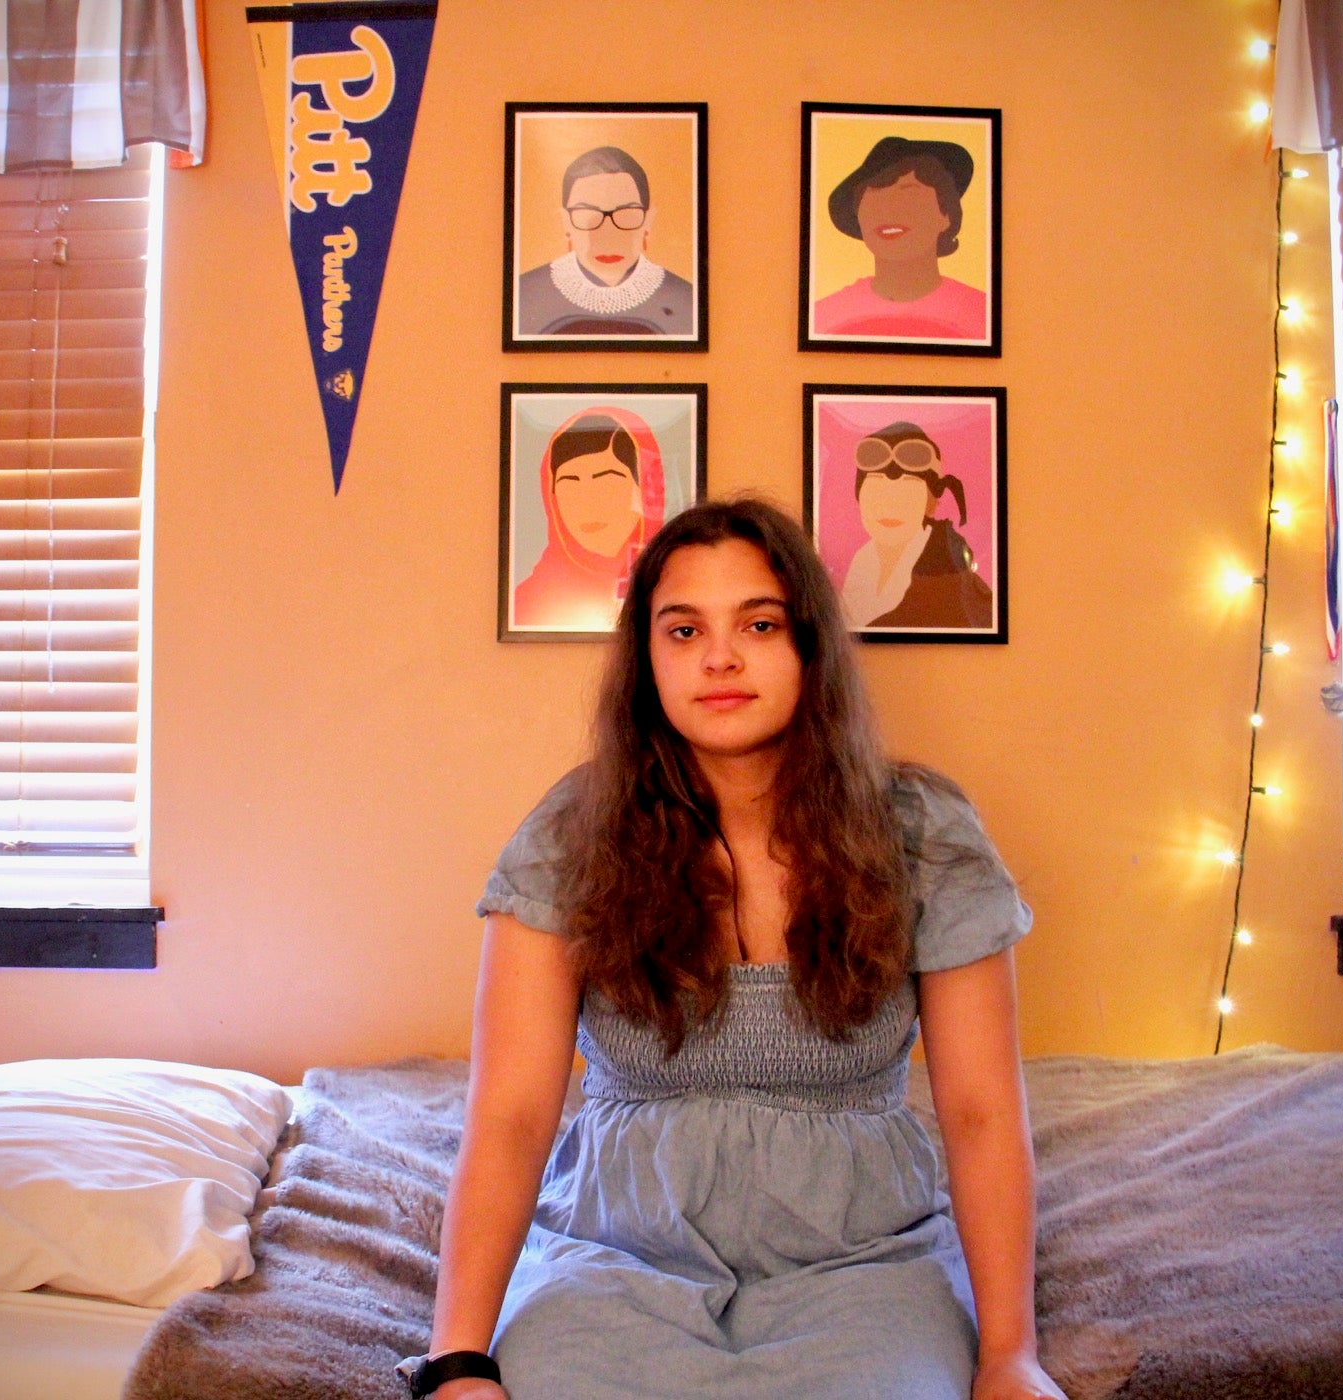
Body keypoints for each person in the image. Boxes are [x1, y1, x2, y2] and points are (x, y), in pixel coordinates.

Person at [401, 498, 1064, 1400]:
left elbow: (983, 1111)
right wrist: (458, 1361)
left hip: (865, 1262)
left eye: (758, 623)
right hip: (612, 1252)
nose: (720, 657)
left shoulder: (924, 832)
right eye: (683, 630)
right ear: (647, 661)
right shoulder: (571, 833)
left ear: (811, 647)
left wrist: (1009, 1355)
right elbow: (511, 1115)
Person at [813, 136, 989, 342]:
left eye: (909, 195)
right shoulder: (823, 317)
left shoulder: (981, 314)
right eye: (875, 198)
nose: (889, 210)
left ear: (946, 215)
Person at [512, 407, 668, 632]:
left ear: (644, 489)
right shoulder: (527, 601)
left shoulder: (677, 593)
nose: (588, 503)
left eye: (606, 483)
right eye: (570, 483)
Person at [517, 145, 696, 337]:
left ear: (648, 220)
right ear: (566, 221)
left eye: (626, 214)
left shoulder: (688, 301)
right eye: (587, 215)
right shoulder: (523, 296)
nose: (607, 235)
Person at [840, 421, 995, 630]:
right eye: (877, 493)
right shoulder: (862, 561)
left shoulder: (952, 572)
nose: (889, 508)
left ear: (930, 503)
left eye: (905, 496)